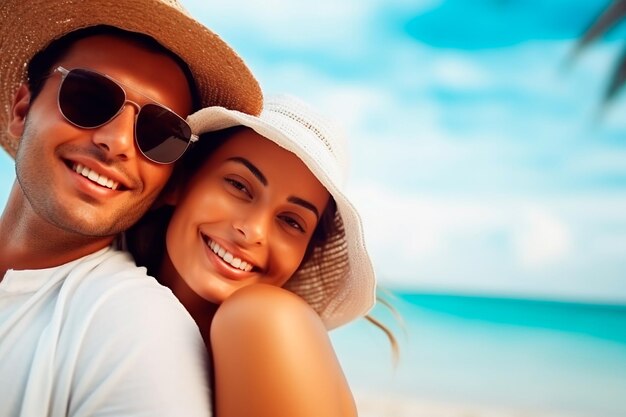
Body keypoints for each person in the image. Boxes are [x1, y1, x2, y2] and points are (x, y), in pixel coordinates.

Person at [0, 1, 262, 416]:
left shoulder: (138, 332)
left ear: (169, 184)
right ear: (20, 111)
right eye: (88, 98)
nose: (117, 143)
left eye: (160, 134)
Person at [126, 94, 383, 417]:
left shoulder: (264, 316)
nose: (255, 231)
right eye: (239, 186)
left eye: (291, 221)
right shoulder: (105, 299)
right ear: (180, 181)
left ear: (303, 256)